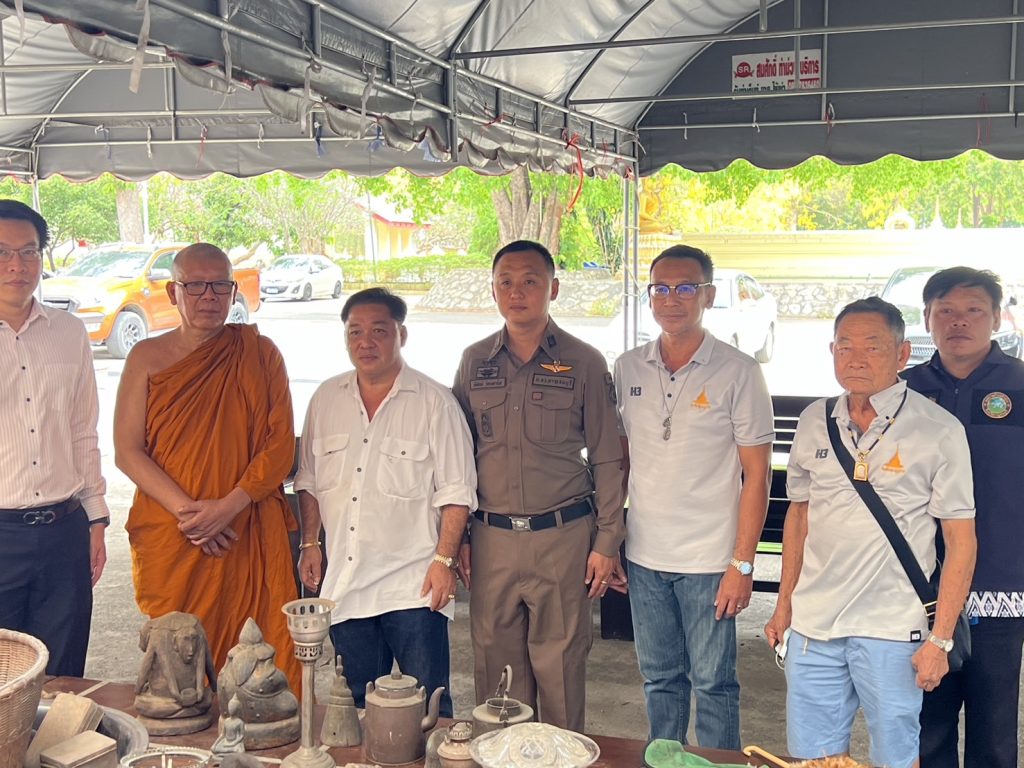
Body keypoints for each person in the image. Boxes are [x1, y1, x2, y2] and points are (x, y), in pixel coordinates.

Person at [764, 296, 977, 768]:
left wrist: (940, 640)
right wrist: (785, 606)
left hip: (893, 627)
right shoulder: (815, 420)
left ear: (902, 354)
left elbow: (961, 541)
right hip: (814, 626)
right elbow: (799, 517)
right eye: (845, 346)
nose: (856, 358)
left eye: (873, 346)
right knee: (813, 758)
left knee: (897, 758)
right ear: (832, 351)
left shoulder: (938, 429)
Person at [452, 240, 625, 731]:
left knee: (561, 669)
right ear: (493, 290)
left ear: (554, 288)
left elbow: (608, 456)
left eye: (530, 281)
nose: (517, 292)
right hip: (492, 539)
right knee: (496, 675)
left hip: (561, 539)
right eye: (505, 282)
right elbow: (457, 458)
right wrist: (458, 538)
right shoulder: (474, 362)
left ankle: (562, 758)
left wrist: (607, 541)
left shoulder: (584, 361)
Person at [113, 242, 300, 690]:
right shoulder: (145, 357)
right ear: (173, 292)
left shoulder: (259, 354)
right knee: (179, 659)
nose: (209, 296)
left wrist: (228, 508)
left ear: (234, 291)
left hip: (246, 526)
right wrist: (194, 516)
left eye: (219, 285)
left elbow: (279, 447)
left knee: (263, 660)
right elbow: (127, 451)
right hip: (176, 530)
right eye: (195, 286)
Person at [614, 245, 773, 748]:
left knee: (713, 683)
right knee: (659, 679)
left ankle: (717, 761)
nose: (672, 298)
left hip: (710, 560)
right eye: (660, 288)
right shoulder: (628, 367)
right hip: (644, 556)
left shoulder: (738, 370)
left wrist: (742, 563)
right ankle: (663, 756)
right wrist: (612, 541)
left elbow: (757, 475)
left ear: (708, 294)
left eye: (686, 287)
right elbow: (621, 463)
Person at [294, 288, 476, 717]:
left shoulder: (435, 402)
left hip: (413, 587)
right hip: (347, 585)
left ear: (401, 335)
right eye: (355, 332)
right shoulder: (326, 399)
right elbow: (309, 481)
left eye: (379, 331)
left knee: (429, 707)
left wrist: (444, 562)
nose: (366, 342)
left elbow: (457, 492)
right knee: (355, 708)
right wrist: (310, 543)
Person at [901, 267, 1024, 768]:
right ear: (926, 318)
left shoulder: (1019, 383)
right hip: (919, 584)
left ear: (996, 318)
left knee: (994, 728)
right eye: (946, 311)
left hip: (1001, 581)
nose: (959, 322)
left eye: (974, 310)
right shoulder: (904, 390)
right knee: (925, 725)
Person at [0, 199, 108, 675]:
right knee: (4, 679)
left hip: (64, 531)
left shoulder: (69, 332)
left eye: (28, 251)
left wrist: (96, 519)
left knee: (63, 675)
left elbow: (83, 430)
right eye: (2, 253)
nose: (17, 265)